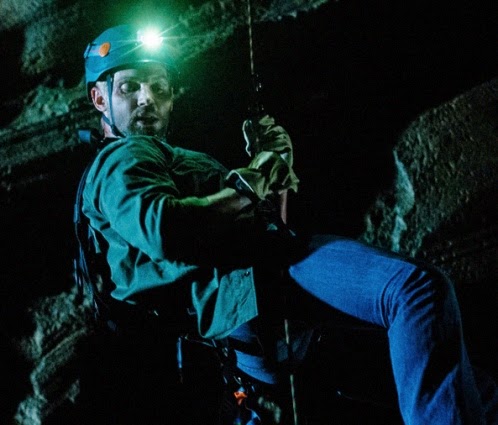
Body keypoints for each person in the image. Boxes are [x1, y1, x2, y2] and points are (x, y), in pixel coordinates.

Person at [75, 24, 496, 425]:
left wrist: (275, 171)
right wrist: (253, 180)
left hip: (262, 326)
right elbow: (165, 228)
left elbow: (266, 230)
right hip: (261, 293)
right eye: (129, 87)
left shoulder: (164, 159)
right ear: (99, 99)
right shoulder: (122, 157)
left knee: (476, 390)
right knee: (416, 291)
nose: (147, 98)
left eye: (159, 87)